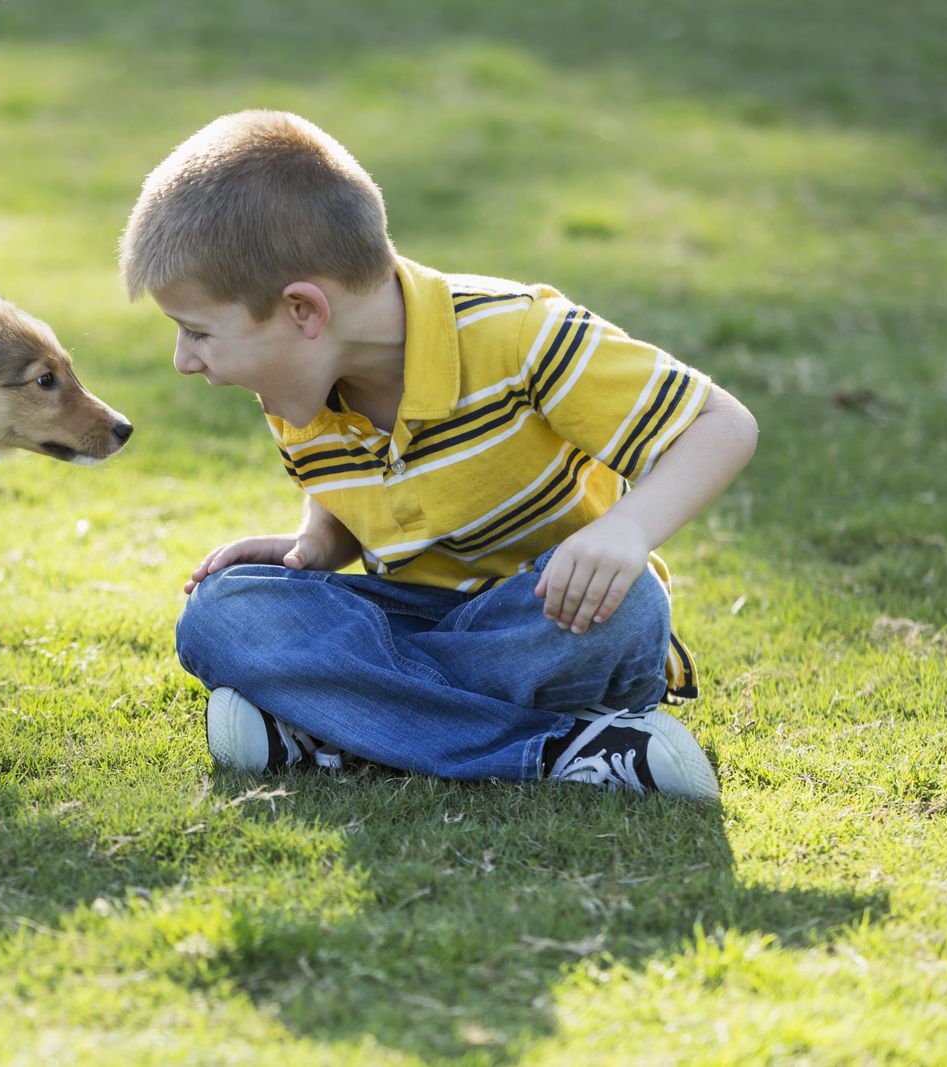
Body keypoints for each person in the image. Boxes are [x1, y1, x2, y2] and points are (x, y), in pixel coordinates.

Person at [118, 110, 758, 799]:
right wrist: (316, 544)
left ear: (304, 311)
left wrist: (628, 531)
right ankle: (567, 748)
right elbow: (357, 488)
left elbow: (723, 422)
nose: (185, 361)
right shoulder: (295, 386)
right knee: (221, 609)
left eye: (197, 332)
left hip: (549, 619)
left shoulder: (520, 335)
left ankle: (335, 728)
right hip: (412, 613)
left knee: (631, 606)